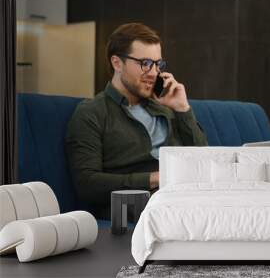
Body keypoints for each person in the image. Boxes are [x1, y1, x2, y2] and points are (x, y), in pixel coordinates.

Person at [66, 23, 208, 219]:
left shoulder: (164, 108)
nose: (153, 73)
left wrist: (183, 109)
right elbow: (87, 184)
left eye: (158, 64)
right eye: (145, 63)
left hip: (181, 195)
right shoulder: (91, 112)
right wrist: (154, 178)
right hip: (139, 204)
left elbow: (203, 160)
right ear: (117, 63)